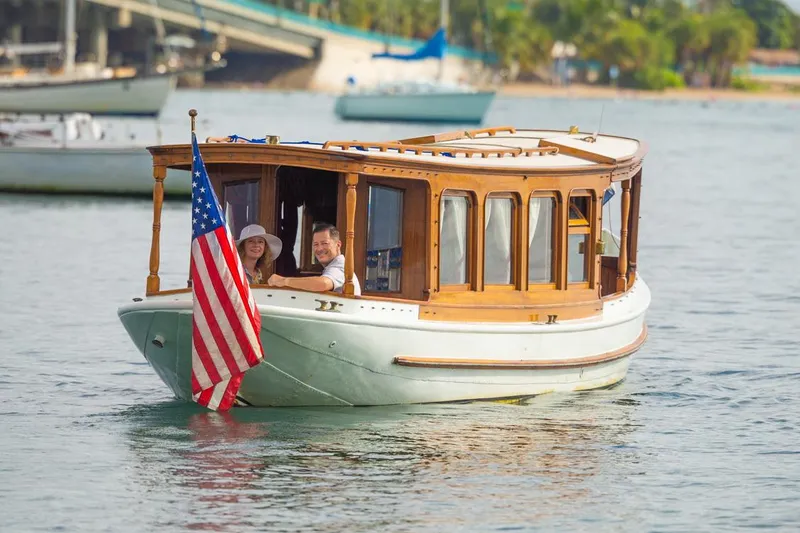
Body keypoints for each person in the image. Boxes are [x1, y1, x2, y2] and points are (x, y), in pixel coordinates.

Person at [267, 223, 361, 295]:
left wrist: (284, 281)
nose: (319, 249)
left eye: (325, 243)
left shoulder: (341, 267)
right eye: (316, 244)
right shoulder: (333, 267)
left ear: (338, 245)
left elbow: (323, 284)